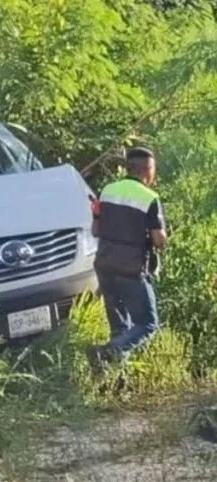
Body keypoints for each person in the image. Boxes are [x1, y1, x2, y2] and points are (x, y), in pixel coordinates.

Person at [88, 146, 168, 378]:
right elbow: (159, 240)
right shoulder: (150, 197)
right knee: (147, 325)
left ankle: (113, 381)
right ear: (147, 170)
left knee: (120, 328)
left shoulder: (107, 190)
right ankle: (106, 353)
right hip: (131, 269)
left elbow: (95, 229)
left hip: (104, 266)